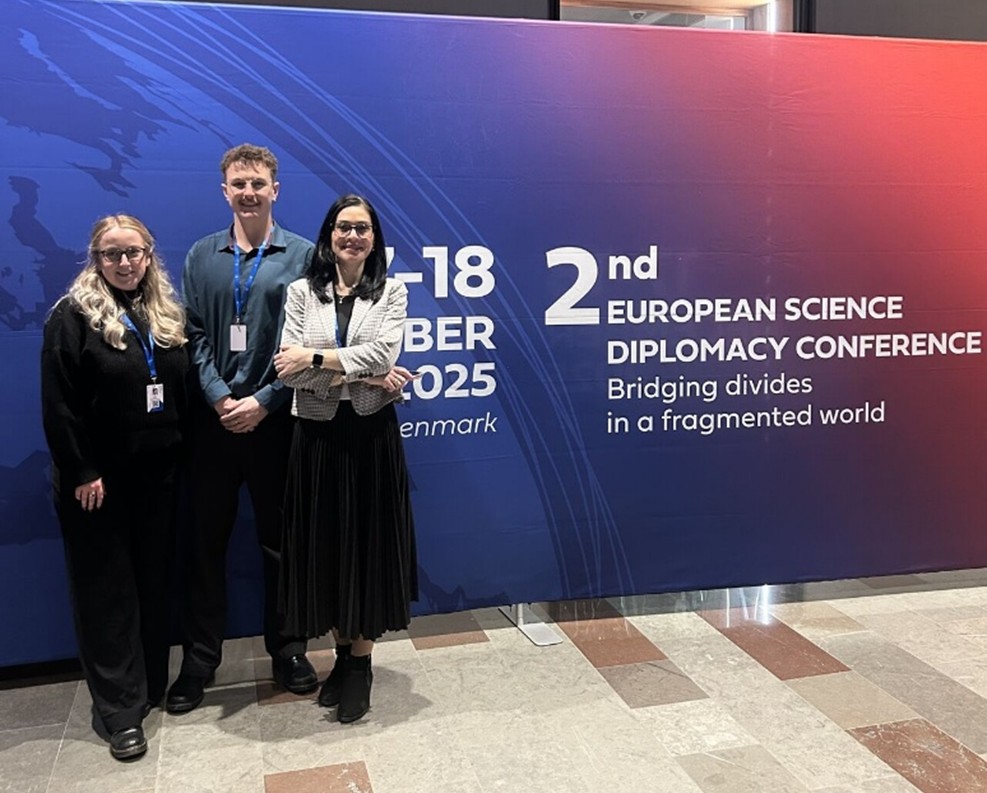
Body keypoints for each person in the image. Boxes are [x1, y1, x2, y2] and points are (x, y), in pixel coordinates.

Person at [167, 144, 316, 714]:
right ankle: (199, 662)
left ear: (275, 190)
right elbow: (197, 335)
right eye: (238, 183)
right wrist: (220, 397)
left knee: (280, 545)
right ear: (223, 191)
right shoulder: (202, 255)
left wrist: (264, 401)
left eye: (258, 183)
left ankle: (289, 650)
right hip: (213, 426)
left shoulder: (304, 255)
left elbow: (311, 343)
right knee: (205, 548)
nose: (248, 192)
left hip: (278, 425)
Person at [41, 215, 189, 760]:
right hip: (97, 484)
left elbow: (182, 390)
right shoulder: (72, 315)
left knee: (152, 585)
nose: (124, 263)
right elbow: (58, 403)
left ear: (149, 255)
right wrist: (81, 470)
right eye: (112, 254)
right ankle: (120, 713)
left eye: (134, 252)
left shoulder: (167, 315)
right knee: (107, 595)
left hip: (158, 477)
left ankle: (147, 688)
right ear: (95, 259)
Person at [273, 194, 418, 724]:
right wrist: (366, 374)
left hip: (369, 438)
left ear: (374, 238)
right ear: (328, 235)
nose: (351, 236)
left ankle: (361, 664)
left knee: (366, 548)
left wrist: (318, 358)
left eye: (361, 228)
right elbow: (285, 372)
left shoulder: (392, 292)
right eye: (342, 227)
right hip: (316, 439)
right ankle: (339, 656)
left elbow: (382, 354)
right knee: (328, 549)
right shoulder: (300, 292)